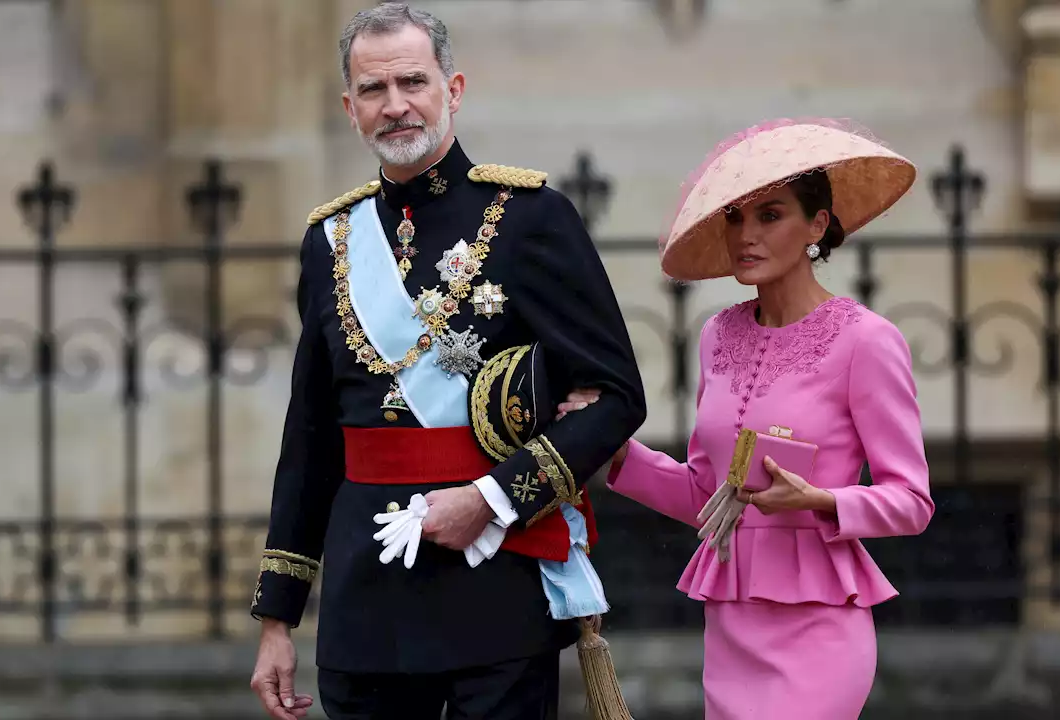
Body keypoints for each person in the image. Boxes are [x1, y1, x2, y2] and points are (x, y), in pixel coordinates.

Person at [248, 4, 647, 719]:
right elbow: (309, 441)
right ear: (350, 107)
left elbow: (617, 397)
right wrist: (277, 619)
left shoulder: (530, 218)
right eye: (374, 90)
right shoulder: (331, 240)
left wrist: (491, 501)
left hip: (493, 590)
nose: (395, 106)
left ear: (452, 88)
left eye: (413, 82)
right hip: (364, 607)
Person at [558, 119, 936, 719]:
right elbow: (706, 494)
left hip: (820, 631)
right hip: (731, 627)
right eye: (735, 217)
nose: (745, 235)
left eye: (770, 215)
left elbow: (912, 501)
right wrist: (617, 452)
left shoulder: (867, 340)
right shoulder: (717, 334)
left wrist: (821, 500)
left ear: (817, 225)